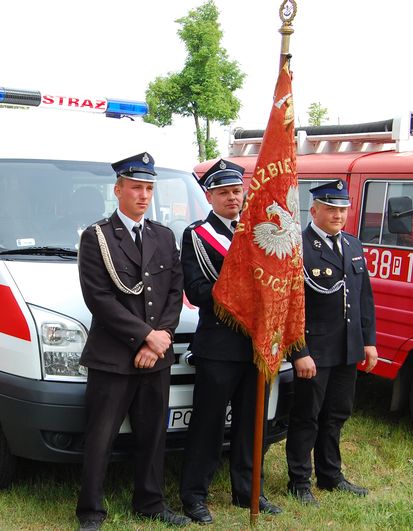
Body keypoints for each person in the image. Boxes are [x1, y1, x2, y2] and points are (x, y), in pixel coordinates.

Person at [75, 152, 188, 530]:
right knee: (100, 437)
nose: (143, 195)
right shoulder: (98, 238)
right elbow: (99, 299)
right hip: (112, 356)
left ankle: (151, 502)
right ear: (118, 190)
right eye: (136, 187)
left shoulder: (163, 235)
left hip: (156, 355)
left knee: (153, 433)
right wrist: (145, 336)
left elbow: (174, 292)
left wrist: (161, 339)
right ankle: (91, 510)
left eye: (149, 189)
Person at [178, 159, 282, 524]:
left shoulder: (258, 234)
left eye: (237, 191)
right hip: (219, 347)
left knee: (251, 426)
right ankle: (194, 496)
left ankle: (248, 490)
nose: (232, 198)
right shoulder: (197, 236)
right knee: (207, 426)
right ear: (209, 197)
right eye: (223, 193)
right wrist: (241, 292)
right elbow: (197, 290)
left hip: (255, 346)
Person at [286, 179, 378, 506]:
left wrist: (368, 341)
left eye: (343, 209)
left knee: (337, 414)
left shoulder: (352, 245)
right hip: (315, 351)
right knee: (306, 417)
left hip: (347, 348)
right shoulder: (299, 247)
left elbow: (363, 297)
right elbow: (289, 306)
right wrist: (299, 352)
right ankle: (299, 480)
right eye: (331, 209)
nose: (338, 215)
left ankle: (330, 474)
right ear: (314, 210)